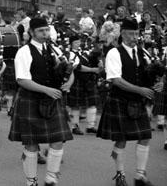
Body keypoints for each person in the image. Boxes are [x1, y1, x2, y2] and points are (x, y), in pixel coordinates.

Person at [8, 17, 73, 186]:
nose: (45, 34)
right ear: (31, 33)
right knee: (31, 145)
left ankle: (51, 178)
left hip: (52, 102)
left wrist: (69, 82)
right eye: (41, 31)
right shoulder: (24, 52)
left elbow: (70, 70)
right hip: (31, 100)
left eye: (47, 30)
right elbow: (22, 80)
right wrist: (47, 90)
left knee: (58, 140)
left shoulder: (55, 50)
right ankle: (31, 182)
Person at [97, 18, 162, 186]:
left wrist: (157, 83)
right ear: (123, 35)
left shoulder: (142, 52)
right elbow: (116, 80)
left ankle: (140, 176)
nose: (134, 37)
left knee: (145, 136)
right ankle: (120, 175)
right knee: (121, 140)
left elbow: (147, 74)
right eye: (131, 34)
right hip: (120, 100)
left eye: (136, 34)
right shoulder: (114, 53)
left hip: (137, 102)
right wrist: (140, 90)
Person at [67, 34, 102, 135]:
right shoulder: (70, 54)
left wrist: (98, 62)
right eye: (75, 42)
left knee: (92, 102)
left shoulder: (84, 53)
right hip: (76, 81)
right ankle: (74, 127)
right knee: (75, 105)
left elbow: (94, 58)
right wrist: (92, 70)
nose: (78, 44)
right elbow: (78, 67)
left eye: (79, 42)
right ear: (71, 44)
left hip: (88, 81)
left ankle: (90, 126)